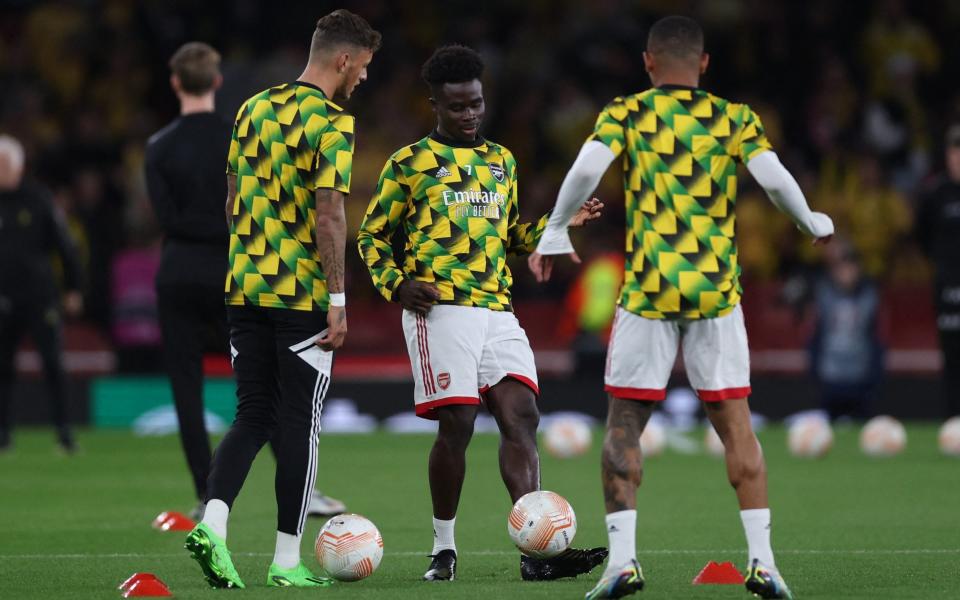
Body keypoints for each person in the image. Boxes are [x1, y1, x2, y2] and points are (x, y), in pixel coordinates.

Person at [528, 16, 834, 600]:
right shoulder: (732, 117)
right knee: (737, 426)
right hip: (716, 294)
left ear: (647, 63)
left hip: (648, 293)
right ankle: (763, 563)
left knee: (624, 426)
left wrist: (556, 229)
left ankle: (622, 564)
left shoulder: (628, 112)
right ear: (704, 65)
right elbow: (774, 179)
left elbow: (588, 168)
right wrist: (810, 221)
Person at [357, 44, 607, 583]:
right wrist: (397, 285)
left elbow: (511, 235)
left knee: (521, 416)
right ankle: (443, 549)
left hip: (497, 308)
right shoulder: (410, 164)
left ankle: (535, 551)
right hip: (440, 309)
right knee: (459, 423)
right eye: (457, 106)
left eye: (475, 104)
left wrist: (559, 226)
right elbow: (371, 236)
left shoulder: (501, 161)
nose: (469, 114)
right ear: (435, 106)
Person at [183, 9, 380, 589]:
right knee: (300, 426)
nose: (363, 79)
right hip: (301, 297)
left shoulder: (251, 108)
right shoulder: (334, 124)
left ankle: (213, 526)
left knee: (252, 415)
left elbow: (229, 202)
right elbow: (329, 214)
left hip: (243, 287)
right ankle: (287, 561)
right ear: (343, 60)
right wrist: (339, 298)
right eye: (363, 68)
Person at [146, 42, 346, 522]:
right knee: (265, 390)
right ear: (216, 82)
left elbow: (165, 217)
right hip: (239, 269)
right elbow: (245, 204)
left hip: (176, 272)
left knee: (186, 388)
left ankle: (204, 493)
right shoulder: (242, 128)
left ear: (175, 83)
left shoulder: (158, 147)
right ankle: (304, 490)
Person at [0, 135, 83, 454]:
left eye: (6, 164)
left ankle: (64, 433)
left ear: (19, 166)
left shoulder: (38, 199)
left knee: (52, 364)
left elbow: (65, 246)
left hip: (39, 297)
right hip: (3, 299)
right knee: (3, 368)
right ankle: (3, 434)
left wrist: (74, 287)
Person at [809, 243, 883, 420]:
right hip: (830, 375)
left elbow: (877, 339)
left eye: (850, 268)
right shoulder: (823, 296)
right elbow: (814, 336)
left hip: (860, 375)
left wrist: (874, 375)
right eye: (841, 268)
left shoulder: (870, 298)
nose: (846, 274)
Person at [916, 124, 960, 418]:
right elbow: (923, 236)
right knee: (953, 355)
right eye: (955, 152)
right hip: (948, 287)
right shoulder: (937, 194)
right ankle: (954, 422)